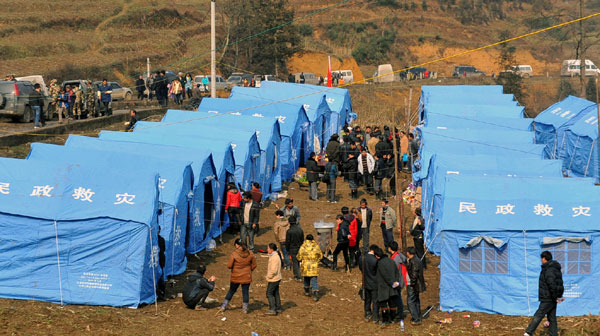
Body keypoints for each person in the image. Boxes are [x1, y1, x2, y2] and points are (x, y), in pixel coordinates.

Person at [524, 251, 564, 336]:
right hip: (552, 297)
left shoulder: (549, 269)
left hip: (548, 297)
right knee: (551, 318)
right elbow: (558, 283)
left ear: (544, 259)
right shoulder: (554, 268)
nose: (541, 260)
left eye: (541, 258)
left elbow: (552, 284)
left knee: (539, 314)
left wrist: (554, 297)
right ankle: (554, 334)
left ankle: (528, 333)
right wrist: (557, 297)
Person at [219, 239, 257, 314]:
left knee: (231, 290)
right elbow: (254, 265)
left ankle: (224, 306)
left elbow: (229, 265)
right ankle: (245, 309)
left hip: (236, 276)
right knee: (245, 292)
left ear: (237, 245)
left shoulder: (234, 254)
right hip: (246, 276)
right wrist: (249, 270)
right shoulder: (250, 253)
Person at [375, 247, 400, 326]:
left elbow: (384, 275)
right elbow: (397, 272)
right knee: (392, 303)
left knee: (383, 304)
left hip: (384, 286)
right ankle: (393, 318)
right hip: (392, 286)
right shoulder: (391, 261)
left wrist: (391, 282)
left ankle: (386, 320)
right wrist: (395, 281)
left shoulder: (380, 263)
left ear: (377, 256)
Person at [297, 234, 323, 301]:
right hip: (314, 265)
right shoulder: (316, 246)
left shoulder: (303, 246)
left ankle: (307, 291)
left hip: (305, 265)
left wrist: (301, 260)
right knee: (314, 280)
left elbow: (299, 256)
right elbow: (321, 256)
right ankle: (315, 294)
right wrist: (317, 260)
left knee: (306, 278)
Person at [388, 241, 408, 326]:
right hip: (402, 278)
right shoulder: (400, 255)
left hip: (399, 280)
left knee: (397, 297)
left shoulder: (395, 259)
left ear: (390, 248)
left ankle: (399, 313)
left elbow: (393, 271)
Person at [359, 244, 380, 323]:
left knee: (367, 300)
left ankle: (367, 314)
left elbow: (361, 268)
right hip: (374, 283)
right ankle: (375, 317)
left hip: (365, 282)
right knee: (375, 300)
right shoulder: (375, 260)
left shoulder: (362, 258)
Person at [406, 246, 426, 325]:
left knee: (410, 301)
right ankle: (418, 314)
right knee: (416, 300)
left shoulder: (414, 262)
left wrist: (411, 284)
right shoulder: (417, 260)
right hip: (417, 284)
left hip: (414, 285)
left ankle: (416, 318)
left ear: (408, 253)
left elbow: (414, 275)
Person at [265, 243, 282, 315]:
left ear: (271, 250)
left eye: (268, 248)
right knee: (275, 293)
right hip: (277, 278)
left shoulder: (275, 258)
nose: (267, 250)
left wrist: (268, 276)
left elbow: (273, 270)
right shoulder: (275, 256)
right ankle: (278, 308)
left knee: (269, 293)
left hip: (273, 279)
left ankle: (273, 309)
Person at [285, 215, 304, 281]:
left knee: (295, 262)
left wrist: (287, 249)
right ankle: (302, 274)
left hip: (292, 248)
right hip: (300, 247)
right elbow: (302, 240)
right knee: (300, 261)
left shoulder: (289, 231)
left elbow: (287, 241)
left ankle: (297, 276)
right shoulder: (300, 230)